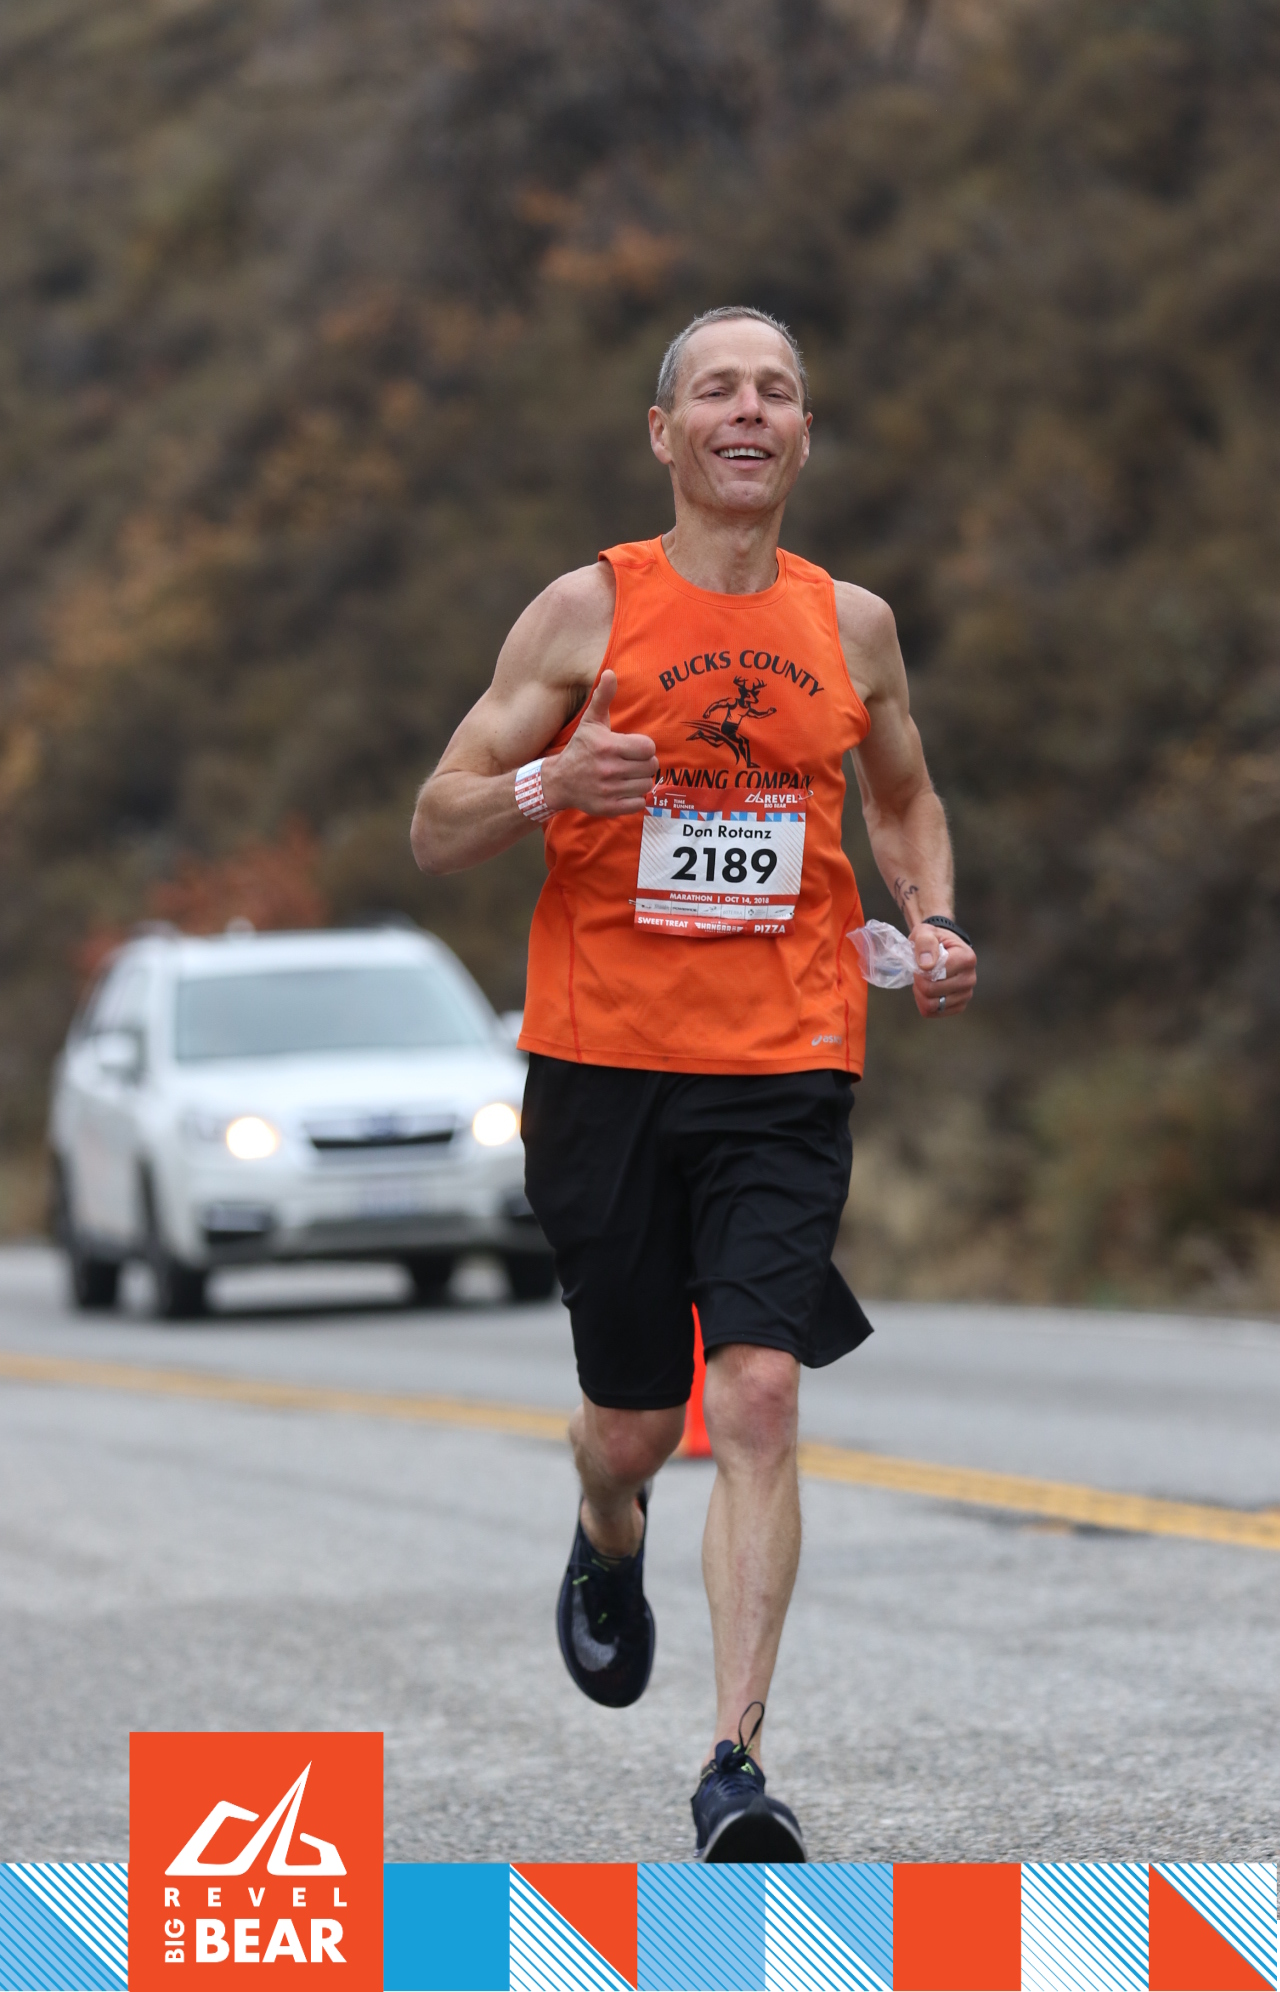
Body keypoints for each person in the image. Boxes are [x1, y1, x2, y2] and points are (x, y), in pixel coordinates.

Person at [411, 305, 977, 1861]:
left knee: (760, 1393)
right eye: (717, 390)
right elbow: (437, 822)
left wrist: (931, 921)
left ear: (803, 435)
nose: (749, 410)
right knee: (635, 1426)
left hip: (787, 1062)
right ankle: (608, 1528)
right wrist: (550, 782)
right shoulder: (585, 612)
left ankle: (736, 1762)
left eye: (776, 391)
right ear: (663, 433)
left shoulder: (852, 625)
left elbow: (905, 798)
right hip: (602, 1066)